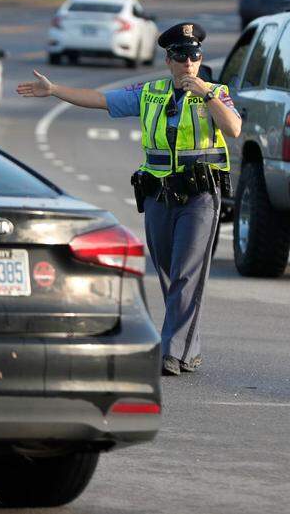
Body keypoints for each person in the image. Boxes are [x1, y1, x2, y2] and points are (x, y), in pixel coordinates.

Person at [17, 22, 241, 376]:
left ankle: (171, 351)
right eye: (181, 56)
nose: (189, 63)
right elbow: (102, 100)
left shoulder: (216, 91)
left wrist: (206, 94)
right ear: (168, 60)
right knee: (169, 270)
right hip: (159, 194)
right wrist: (54, 89)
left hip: (200, 194)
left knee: (187, 272)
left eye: (194, 56)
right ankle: (188, 348)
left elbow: (233, 128)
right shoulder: (150, 92)